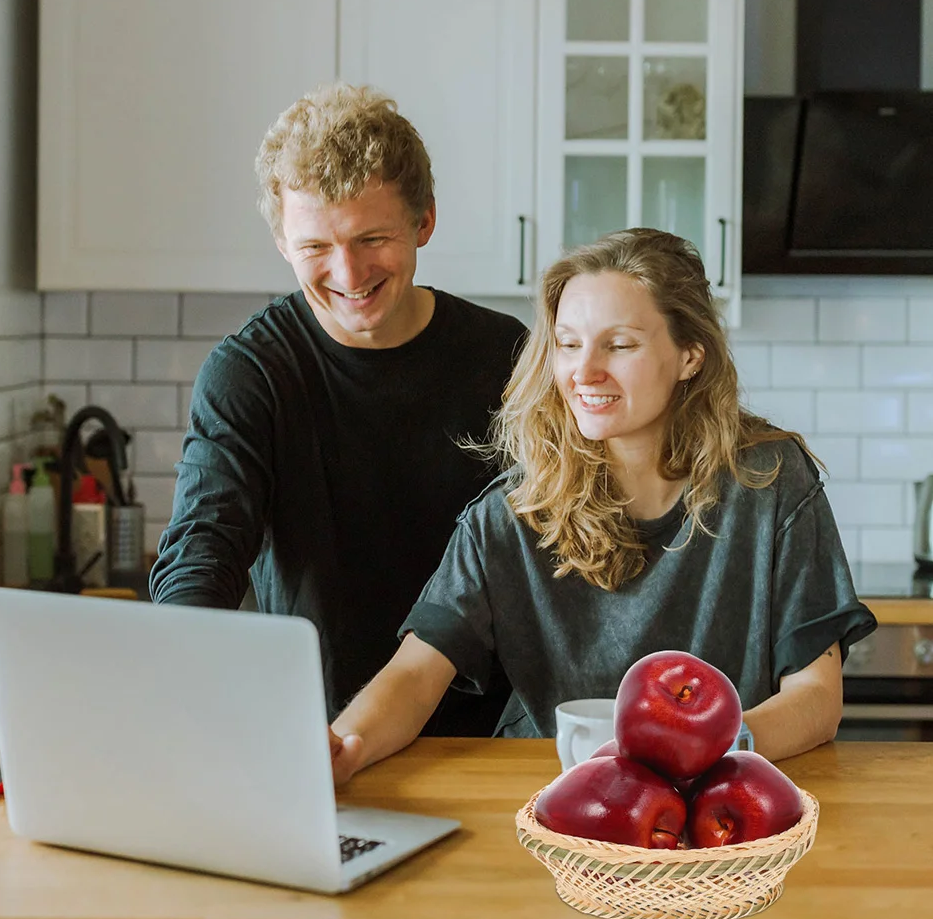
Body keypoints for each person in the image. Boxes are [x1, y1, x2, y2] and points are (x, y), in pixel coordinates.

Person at [328, 228, 877, 784]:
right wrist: (341, 750)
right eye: (568, 343)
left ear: (690, 355)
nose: (584, 371)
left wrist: (711, 746)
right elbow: (415, 676)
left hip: (721, 814)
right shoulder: (511, 516)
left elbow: (816, 698)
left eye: (618, 344)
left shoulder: (769, 483)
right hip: (552, 811)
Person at [150, 83, 527, 736]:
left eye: (372, 237)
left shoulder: (508, 359)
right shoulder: (249, 373)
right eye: (316, 247)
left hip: (489, 736)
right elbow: (203, 546)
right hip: (315, 736)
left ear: (424, 221)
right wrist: (182, 657)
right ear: (281, 241)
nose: (349, 273)